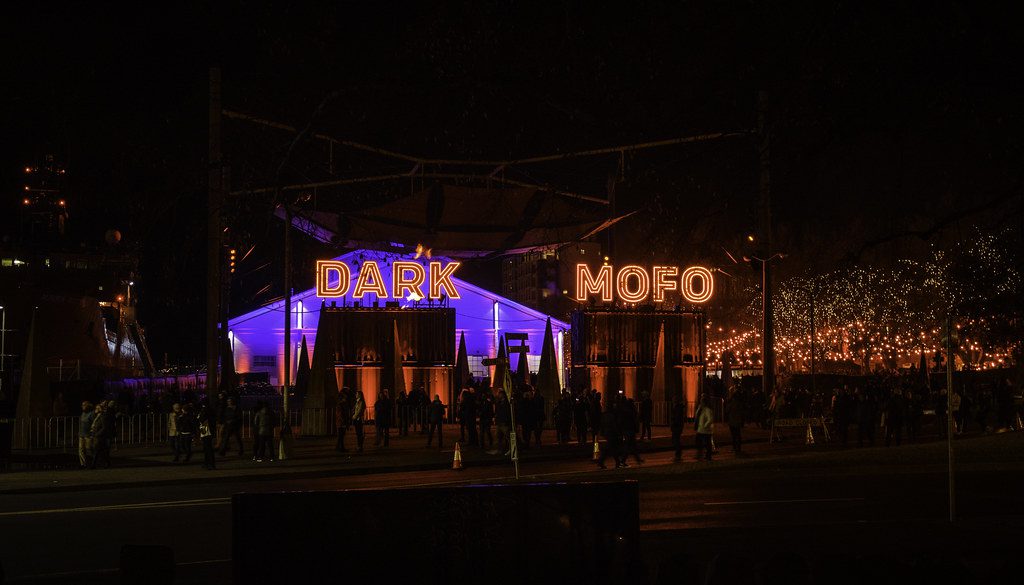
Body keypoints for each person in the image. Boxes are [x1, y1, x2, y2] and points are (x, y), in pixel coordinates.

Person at [89, 402, 114, 469]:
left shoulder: (103, 416)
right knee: (101, 450)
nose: (96, 409)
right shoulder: (97, 416)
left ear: (101, 409)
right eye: (96, 408)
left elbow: (104, 427)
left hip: (99, 436)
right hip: (95, 435)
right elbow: (92, 418)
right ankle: (107, 462)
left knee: (96, 450)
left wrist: (98, 434)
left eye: (98, 408)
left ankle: (93, 464)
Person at [694, 395, 714, 462]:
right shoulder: (700, 409)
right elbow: (697, 417)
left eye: (702, 402)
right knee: (698, 442)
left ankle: (708, 456)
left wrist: (705, 425)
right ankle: (700, 454)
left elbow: (710, 419)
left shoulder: (708, 410)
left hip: (706, 430)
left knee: (707, 444)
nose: (700, 403)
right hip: (700, 429)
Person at [724, 390, 744, 454]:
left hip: (732, 421)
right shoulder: (740, 404)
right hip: (737, 421)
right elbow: (742, 412)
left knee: (734, 436)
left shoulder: (731, 404)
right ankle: (738, 448)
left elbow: (727, 410)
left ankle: (735, 448)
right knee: (738, 435)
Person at [198, 405, 216, 470]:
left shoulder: (205, 411)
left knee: (208, 448)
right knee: (206, 448)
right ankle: (207, 463)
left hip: (207, 431)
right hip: (206, 431)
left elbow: (202, 420)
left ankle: (210, 464)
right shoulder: (208, 411)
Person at [78, 401, 95, 469]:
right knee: (81, 449)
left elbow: (94, 423)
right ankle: (83, 464)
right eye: (82, 405)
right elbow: (81, 423)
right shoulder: (83, 413)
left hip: (88, 435)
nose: (82, 406)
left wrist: (92, 433)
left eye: (84, 405)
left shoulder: (91, 414)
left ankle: (92, 462)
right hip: (81, 434)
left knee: (89, 449)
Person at [494, 390, 512, 455]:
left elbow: (507, 413)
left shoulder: (507, 403)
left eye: (499, 394)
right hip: (500, 422)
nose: (498, 395)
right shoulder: (499, 402)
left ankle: (510, 449)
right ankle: (500, 449)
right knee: (498, 437)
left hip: (504, 423)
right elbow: (498, 412)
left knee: (508, 437)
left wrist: (506, 421)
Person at [335, 388, 351, 452]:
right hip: (341, 423)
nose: (346, 398)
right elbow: (340, 415)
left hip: (341, 422)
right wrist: (344, 422)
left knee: (341, 436)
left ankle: (339, 447)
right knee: (341, 436)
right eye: (345, 397)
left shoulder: (342, 404)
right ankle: (340, 448)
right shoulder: (341, 405)